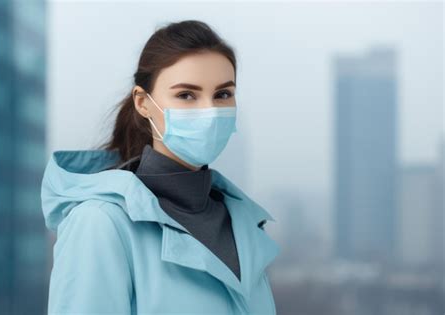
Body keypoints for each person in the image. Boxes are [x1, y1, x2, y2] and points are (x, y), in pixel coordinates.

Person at [41, 19, 280, 315]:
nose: (209, 111)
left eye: (222, 94)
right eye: (186, 95)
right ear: (143, 102)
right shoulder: (101, 224)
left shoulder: (243, 225)